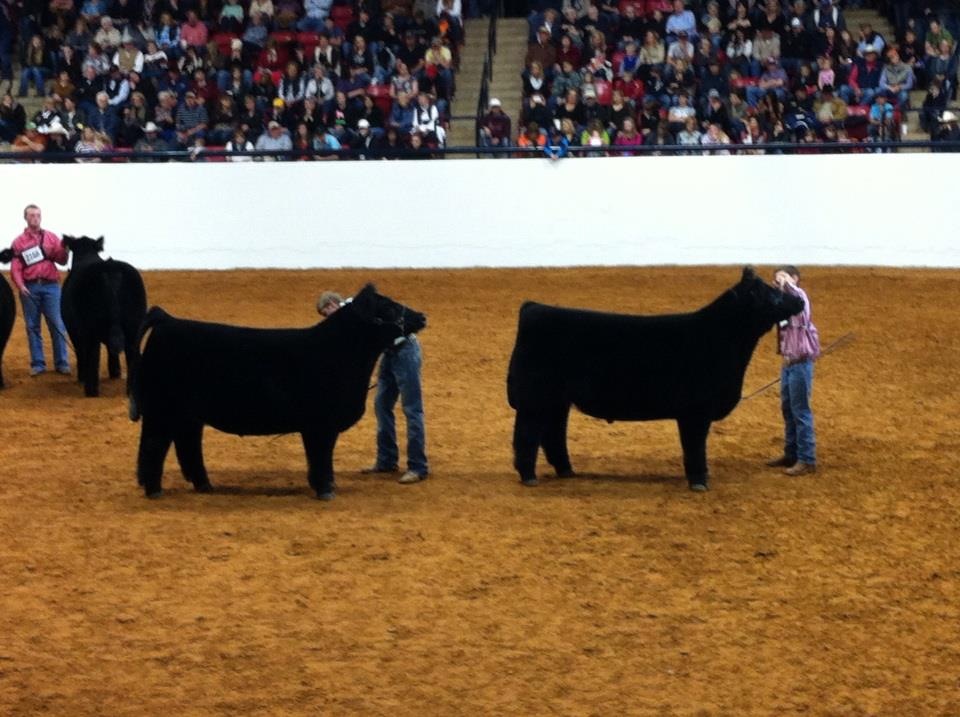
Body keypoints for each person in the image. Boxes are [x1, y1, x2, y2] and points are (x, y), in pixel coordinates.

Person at [317, 289, 429, 484]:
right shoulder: (353, 315)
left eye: (327, 314)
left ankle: (418, 467)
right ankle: (386, 460)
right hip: (392, 352)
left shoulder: (357, 312)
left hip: (404, 351)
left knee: (412, 409)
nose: (329, 320)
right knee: (382, 405)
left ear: (333, 305)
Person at [9, 204, 71, 376]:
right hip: (30, 286)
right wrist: (21, 286)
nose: (35, 218)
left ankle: (62, 362)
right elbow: (16, 267)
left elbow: (62, 260)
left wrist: (64, 250)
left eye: (37, 215)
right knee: (32, 326)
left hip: (51, 285)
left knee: (57, 324)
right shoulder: (18, 242)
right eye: (31, 215)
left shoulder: (51, 237)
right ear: (26, 218)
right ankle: (38, 364)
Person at [767, 265, 818, 476]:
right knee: (789, 410)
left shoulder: (800, 298)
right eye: (777, 277)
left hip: (800, 363)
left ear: (795, 279)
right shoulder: (785, 304)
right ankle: (792, 453)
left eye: (785, 276)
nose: (780, 281)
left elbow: (795, 293)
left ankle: (806, 459)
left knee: (800, 411)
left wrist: (785, 282)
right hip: (789, 364)